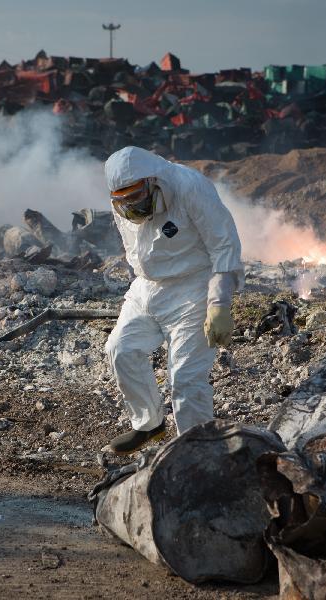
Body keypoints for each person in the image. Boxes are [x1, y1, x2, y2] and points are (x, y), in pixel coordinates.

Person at [103, 146, 243, 454]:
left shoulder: (190, 187)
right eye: (123, 200)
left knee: (185, 378)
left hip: (192, 286)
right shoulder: (122, 201)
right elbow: (134, 248)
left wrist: (218, 303)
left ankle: (198, 452)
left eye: (136, 196)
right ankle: (149, 424)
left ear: (152, 181)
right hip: (146, 286)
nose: (130, 205)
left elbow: (225, 244)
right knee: (120, 349)